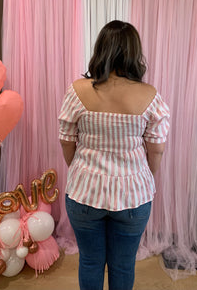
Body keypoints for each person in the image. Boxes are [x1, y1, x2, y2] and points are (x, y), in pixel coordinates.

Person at [58, 20, 170, 290]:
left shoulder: (77, 92)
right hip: (133, 194)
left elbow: (66, 141)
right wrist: (144, 176)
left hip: (84, 192)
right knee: (123, 265)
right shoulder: (150, 96)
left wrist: (81, 169)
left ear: (100, 50)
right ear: (134, 53)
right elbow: (156, 149)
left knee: (90, 262)